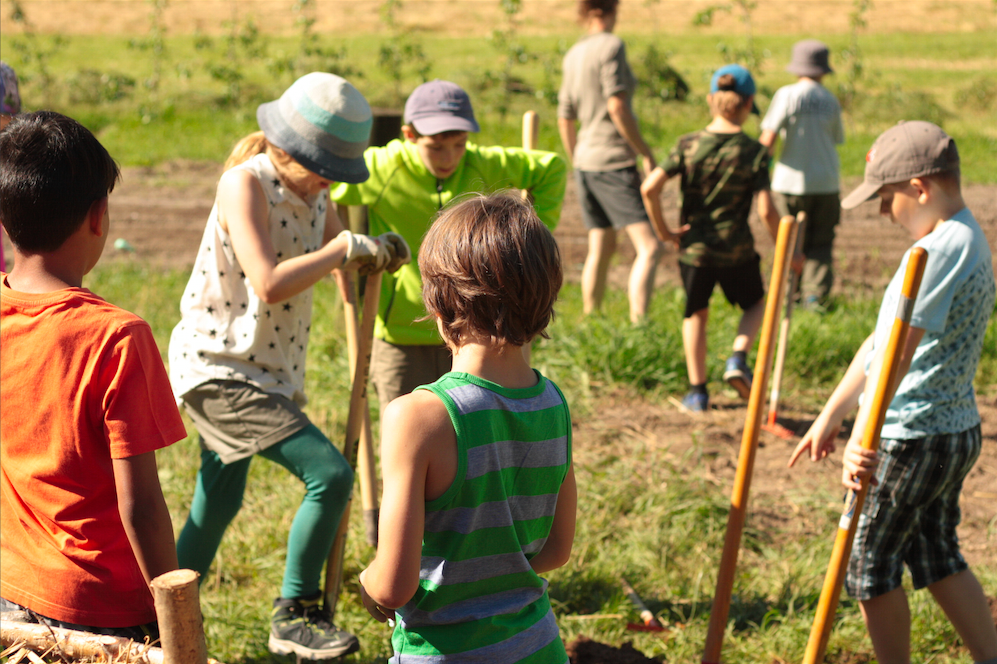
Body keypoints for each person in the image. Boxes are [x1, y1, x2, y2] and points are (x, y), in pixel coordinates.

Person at [167, 73, 409, 660]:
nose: (328, 181)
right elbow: (270, 281)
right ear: (287, 150)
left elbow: (340, 259)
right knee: (331, 475)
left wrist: (374, 255)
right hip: (219, 369)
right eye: (321, 167)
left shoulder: (315, 192)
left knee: (218, 501)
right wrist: (343, 249)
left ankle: (154, 619)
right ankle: (294, 614)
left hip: (267, 373)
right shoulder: (243, 185)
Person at [789, 121, 997, 664]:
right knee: (936, 554)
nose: (884, 213)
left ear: (919, 189)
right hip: (950, 429)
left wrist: (864, 435)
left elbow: (899, 357)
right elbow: (881, 341)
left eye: (887, 198)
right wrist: (832, 413)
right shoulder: (962, 236)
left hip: (912, 436)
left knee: (868, 565)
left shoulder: (933, 252)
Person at [358, 193, 576, 663]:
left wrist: (366, 583)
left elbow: (393, 586)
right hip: (538, 647)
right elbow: (557, 549)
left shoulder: (419, 416)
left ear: (438, 300)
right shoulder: (553, 404)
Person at [0, 111, 185, 641]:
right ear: (98, 216)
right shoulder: (117, 338)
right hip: (104, 606)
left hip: (12, 587)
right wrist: (172, 613)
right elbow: (143, 507)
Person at [330, 79, 566, 406]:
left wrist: (530, 239)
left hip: (477, 331)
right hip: (403, 335)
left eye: (459, 144)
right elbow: (325, 182)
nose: (449, 157)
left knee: (471, 433)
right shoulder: (384, 167)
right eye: (436, 146)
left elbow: (551, 168)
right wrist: (337, 245)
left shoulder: (481, 163)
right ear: (409, 135)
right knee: (409, 430)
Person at [640, 64, 780, 412]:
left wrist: (664, 232)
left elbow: (649, 188)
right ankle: (737, 358)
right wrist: (786, 247)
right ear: (748, 105)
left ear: (710, 100)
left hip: (694, 250)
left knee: (695, 314)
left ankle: (697, 393)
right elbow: (765, 210)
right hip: (737, 250)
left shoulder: (687, 144)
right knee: (754, 304)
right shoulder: (755, 152)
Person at [558, 0, 663, 323]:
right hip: (613, 159)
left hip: (587, 161)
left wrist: (577, 158)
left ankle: (592, 321)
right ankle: (638, 327)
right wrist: (644, 150)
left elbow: (565, 116)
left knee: (601, 246)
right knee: (650, 247)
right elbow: (617, 106)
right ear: (608, 11)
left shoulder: (573, 53)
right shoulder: (611, 46)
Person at [759, 39, 845, 309]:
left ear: (797, 68)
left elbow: (768, 137)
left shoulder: (787, 94)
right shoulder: (830, 100)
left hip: (790, 181)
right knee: (820, 243)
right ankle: (815, 299)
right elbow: (837, 138)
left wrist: (759, 170)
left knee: (789, 242)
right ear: (822, 70)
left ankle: (787, 297)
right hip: (826, 182)